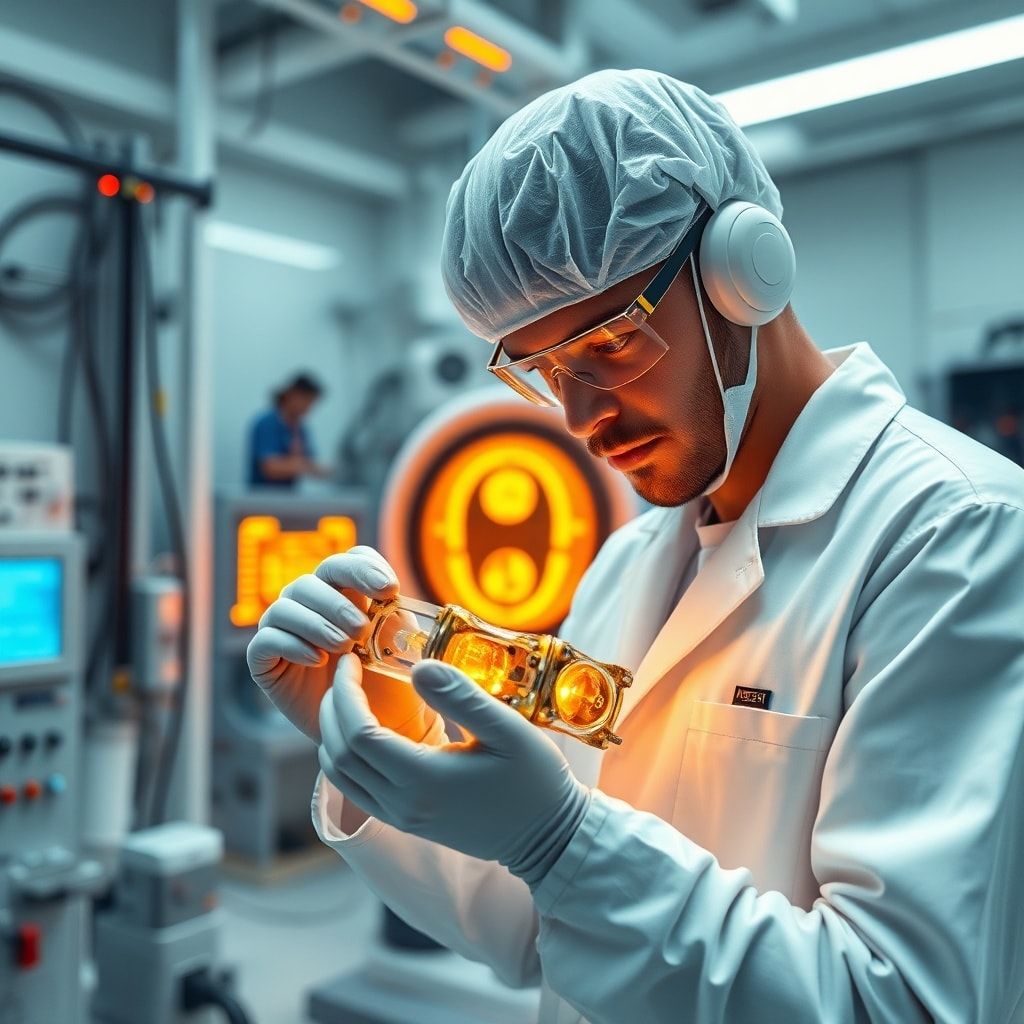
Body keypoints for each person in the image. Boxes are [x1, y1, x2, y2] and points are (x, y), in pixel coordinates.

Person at [246, 70, 1024, 1023]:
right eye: (542, 374)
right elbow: (527, 930)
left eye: (609, 346)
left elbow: (899, 1001)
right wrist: (385, 736)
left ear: (745, 271)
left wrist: (565, 844)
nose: (578, 417)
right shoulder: (628, 564)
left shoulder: (955, 536)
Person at [247, 372, 330, 488]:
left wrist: (330, 470)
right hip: (263, 498)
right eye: (307, 401)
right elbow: (270, 468)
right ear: (292, 395)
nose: (309, 408)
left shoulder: (301, 429)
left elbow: (311, 463)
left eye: (312, 404)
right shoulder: (267, 424)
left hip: (288, 499)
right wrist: (302, 465)